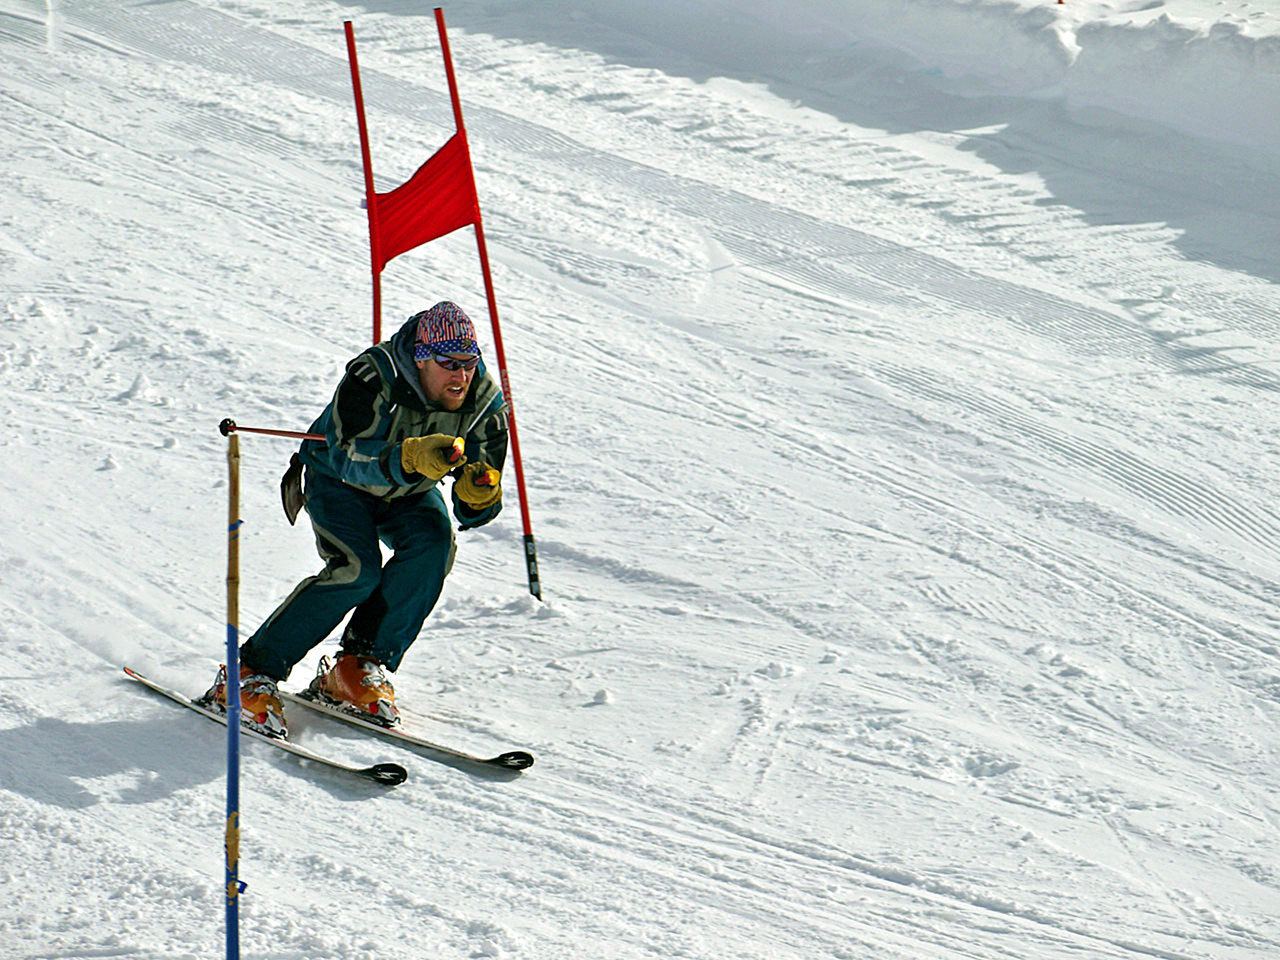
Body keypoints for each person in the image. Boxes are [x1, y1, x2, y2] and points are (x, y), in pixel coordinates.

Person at [201, 301, 508, 738]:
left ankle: (356, 665)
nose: (461, 376)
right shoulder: (373, 375)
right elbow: (348, 458)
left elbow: (477, 498)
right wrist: (407, 458)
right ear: (422, 360)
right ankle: (247, 673)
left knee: (434, 547)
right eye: (448, 363)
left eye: (469, 363)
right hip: (337, 480)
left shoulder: (484, 403)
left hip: (408, 492)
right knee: (356, 570)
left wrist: (479, 495)